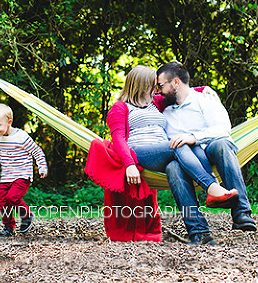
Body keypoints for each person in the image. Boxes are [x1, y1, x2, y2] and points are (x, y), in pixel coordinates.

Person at [85, 65, 218, 245]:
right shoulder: (120, 107)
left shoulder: (155, 103)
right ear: (141, 85)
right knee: (180, 143)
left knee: (175, 167)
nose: (157, 89)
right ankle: (211, 185)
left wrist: (203, 90)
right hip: (140, 155)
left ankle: (200, 233)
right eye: (153, 85)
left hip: (164, 156)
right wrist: (129, 164)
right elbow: (118, 139)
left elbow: (178, 90)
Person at [155, 61, 257, 232]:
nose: (159, 91)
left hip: (210, 152)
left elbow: (223, 129)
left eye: (161, 85)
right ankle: (198, 229)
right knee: (172, 167)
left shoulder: (204, 100)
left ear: (176, 83)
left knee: (222, 144)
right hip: (183, 161)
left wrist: (193, 138)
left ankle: (242, 214)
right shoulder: (165, 112)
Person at [0, 103, 48, 237]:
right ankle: (9, 227)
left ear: (9, 122)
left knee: (12, 197)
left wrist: (42, 167)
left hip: (22, 174)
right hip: (7, 176)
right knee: (2, 201)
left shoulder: (21, 136)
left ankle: (26, 216)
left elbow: (36, 151)